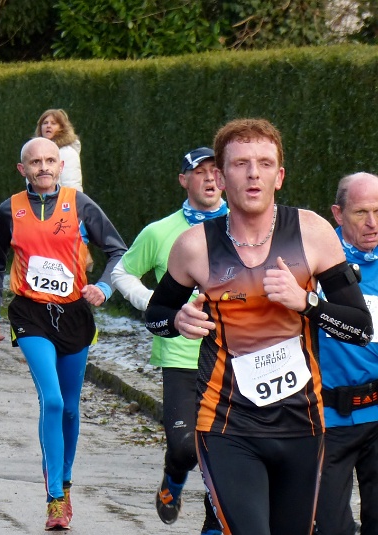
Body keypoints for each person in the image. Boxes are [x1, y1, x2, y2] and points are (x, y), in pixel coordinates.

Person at [145, 118, 373, 535]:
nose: (254, 174)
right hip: (226, 424)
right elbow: (156, 316)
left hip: (302, 423)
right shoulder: (194, 246)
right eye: (241, 163)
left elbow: (360, 329)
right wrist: (177, 319)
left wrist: (307, 303)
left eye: (265, 163)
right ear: (221, 177)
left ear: (279, 176)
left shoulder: (312, 233)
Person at [0, 136, 127, 530]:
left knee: (71, 407)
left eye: (50, 161)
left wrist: (105, 287)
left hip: (74, 314)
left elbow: (119, 251)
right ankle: (55, 498)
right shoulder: (9, 209)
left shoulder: (80, 204)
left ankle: (65, 480)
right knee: (52, 399)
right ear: (23, 169)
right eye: (35, 162)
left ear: (60, 166)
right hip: (30, 314)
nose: (43, 167)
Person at [110, 147, 224, 535]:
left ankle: (214, 522)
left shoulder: (244, 228)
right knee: (185, 447)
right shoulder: (160, 232)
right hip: (180, 356)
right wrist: (157, 304)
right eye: (199, 172)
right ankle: (172, 479)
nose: (209, 178)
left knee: (223, 449)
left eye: (215, 171)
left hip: (231, 356)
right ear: (183, 180)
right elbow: (122, 272)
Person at [314, 172, 378, 535]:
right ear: (338, 214)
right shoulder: (315, 260)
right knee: (331, 528)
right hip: (328, 420)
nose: (373, 223)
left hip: (377, 415)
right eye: (361, 212)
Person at [35, 109, 82, 192]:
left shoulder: (67, 152)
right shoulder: (35, 153)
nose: (48, 126)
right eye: (45, 123)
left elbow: (71, 184)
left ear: (62, 128)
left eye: (53, 123)